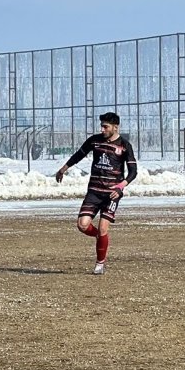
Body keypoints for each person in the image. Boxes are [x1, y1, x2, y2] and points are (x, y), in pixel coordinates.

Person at [54, 112, 138, 275]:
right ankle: (100, 238)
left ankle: (100, 264)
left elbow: (133, 172)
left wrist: (120, 187)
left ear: (115, 127)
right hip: (94, 191)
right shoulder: (95, 140)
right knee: (82, 225)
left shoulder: (125, 146)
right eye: (102, 126)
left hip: (111, 194)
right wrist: (63, 169)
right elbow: (79, 155)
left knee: (103, 228)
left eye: (106, 126)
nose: (102, 129)